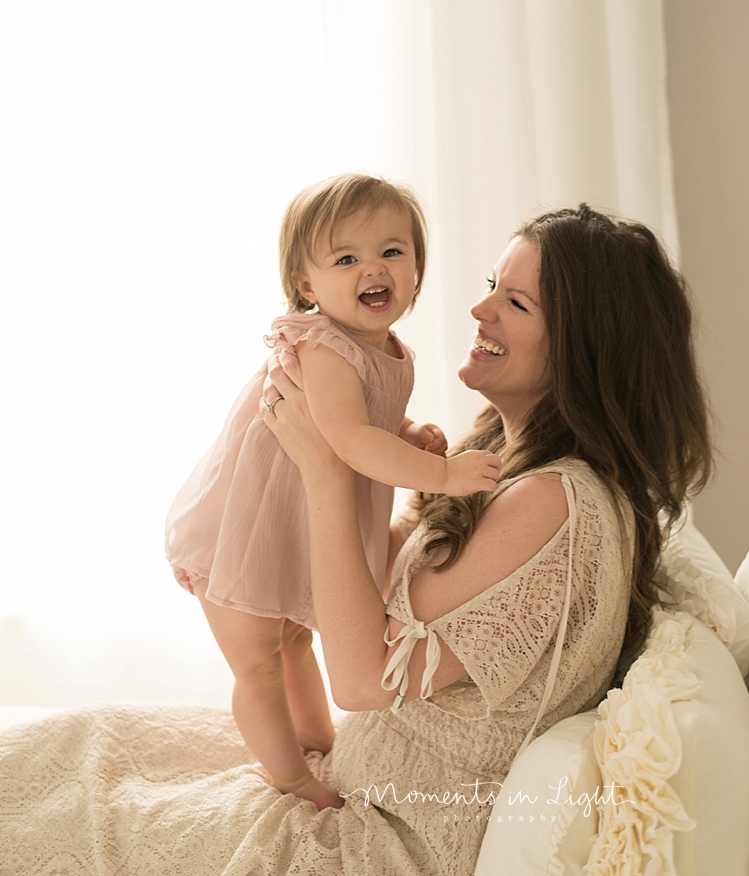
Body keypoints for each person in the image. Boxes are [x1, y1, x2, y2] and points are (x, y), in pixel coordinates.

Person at [0, 205, 711, 875]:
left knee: (67, 790)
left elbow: (364, 679)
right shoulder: (503, 468)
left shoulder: (556, 501)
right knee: (81, 744)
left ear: (587, 352)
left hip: (382, 839)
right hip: (351, 785)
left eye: (515, 303)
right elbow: (370, 588)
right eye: (494, 284)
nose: (478, 308)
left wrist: (326, 468)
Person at [164, 173, 500, 811]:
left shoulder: (387, 349)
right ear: (306, 285)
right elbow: (347, 438)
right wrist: (443, 476)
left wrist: (405, 430)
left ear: (417, 268)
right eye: (345, 258)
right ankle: (289, 777)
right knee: (259, 662)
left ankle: (319, 740)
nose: (372, 268)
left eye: (391, 252)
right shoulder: (320, 345)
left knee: (295, 637)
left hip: (291, 524)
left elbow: (363, 421)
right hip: (237, 529)